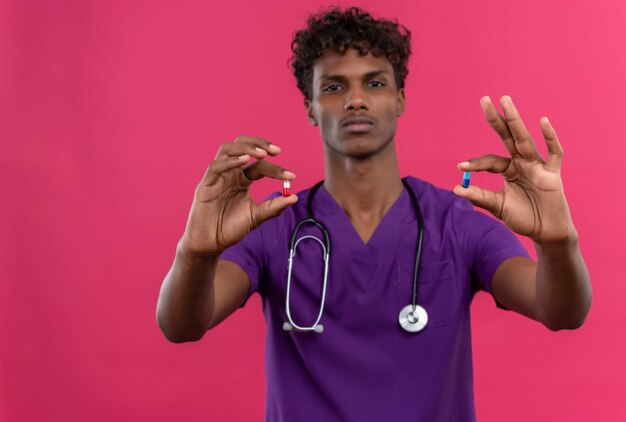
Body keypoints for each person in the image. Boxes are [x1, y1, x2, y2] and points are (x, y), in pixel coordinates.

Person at [156, 7, 592, 421]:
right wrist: (195, 252)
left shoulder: (456, 223)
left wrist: (557, 242)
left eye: (375, 83)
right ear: (310, 107)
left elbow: (559, 311)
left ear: (400, 99)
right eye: (333, 87)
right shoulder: (276, 226)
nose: (356, 100)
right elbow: (182, 325)